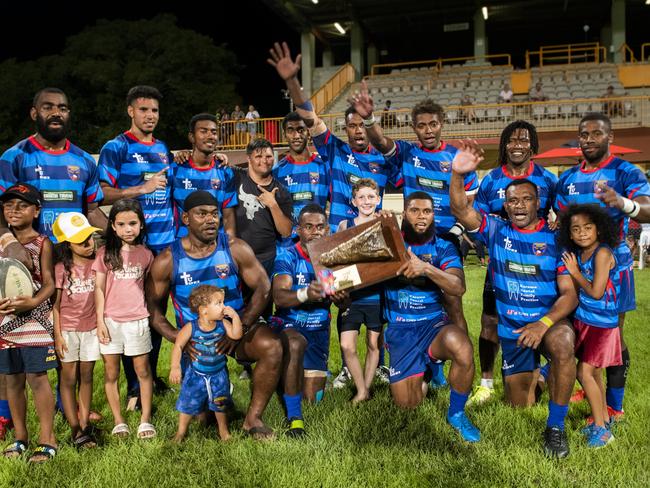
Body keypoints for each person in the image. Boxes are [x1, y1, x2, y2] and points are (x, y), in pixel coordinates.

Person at [348, 81, 478, 386]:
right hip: (412, 240)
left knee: (452, 301)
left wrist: (456, 232)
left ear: (442, 124)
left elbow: (469, 202)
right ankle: (415, 359)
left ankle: (452, 365)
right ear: (415, 129)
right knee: (408, 294)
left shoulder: (457, 159)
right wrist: (369, 120)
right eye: (421, 126)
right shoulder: (406, 153)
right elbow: (380, 142)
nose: (428, 130)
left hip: (445, 241)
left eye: (433, 124)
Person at [450, 152, 579, 458]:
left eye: (526, 199)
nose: (519, 205)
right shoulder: (495, 230)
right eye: (513, 200)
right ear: (505, 205)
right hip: (513, 331)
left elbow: (570, 296)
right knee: (520, 404)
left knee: (562, 342)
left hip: (547, 324)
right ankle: (546, 374)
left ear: (538, 203)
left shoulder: (556, 239)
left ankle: (556, 428)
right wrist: (457, 173)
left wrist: (543, 324)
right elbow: (458, 208)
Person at [146, 190, 281, 440]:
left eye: (214, 214)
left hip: (235, 328)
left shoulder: (234, 248)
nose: (211, 219)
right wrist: (180, 340)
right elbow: (153, 309)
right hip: (198, 341)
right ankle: (217, 389)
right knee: (203, 419)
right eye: (202, 214)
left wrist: (243, 323)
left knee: (271, 346)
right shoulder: (168, 259)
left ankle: (253, 419)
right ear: (185, 219)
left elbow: (264, 286)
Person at [555, 112, 650, 421]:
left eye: (597, 133)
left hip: (613, 266)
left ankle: (615, 405)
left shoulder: (625, 171)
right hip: (576, 266)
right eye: (584, 134)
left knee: (612, 335)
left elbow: (647, 209)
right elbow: (559, 220)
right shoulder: (567, 178)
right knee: (583, 329)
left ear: (610, 138)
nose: (590, 139)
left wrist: (624, 204)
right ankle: (589, 381)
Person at [469, 120, 558, 405]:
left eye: (524, 140)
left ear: (533, 145)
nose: (517, 145)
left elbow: (561, 215)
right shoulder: (492, 179)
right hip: (502, 267)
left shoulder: (547, 179)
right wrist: (486, 243)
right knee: (489, 322)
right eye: (511, 140)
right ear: (504, 144)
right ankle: (485, 384)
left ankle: (542, 368)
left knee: (548, 321)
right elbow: (476, 216)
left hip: (537, 269)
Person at [267, 42, 400, 233]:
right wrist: (292, 81)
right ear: (345, 129)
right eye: (353, 126)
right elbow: (310, 118)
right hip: (338, 236)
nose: (358, 131)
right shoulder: (335, 150)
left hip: (372, 235)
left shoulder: (384, 160)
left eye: (363, 125)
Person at [382, 192, 480, 443]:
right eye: (415, 210)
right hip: (401, 327)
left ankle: (456, 413)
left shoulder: (443, 245)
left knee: (462, 347)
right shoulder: (388, 241)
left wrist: (425, 267)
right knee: (408, 404)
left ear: (434, 215)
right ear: (404, 213)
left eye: (427, 211)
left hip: (433, 324)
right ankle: (429, 369)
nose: (421, 216)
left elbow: (458, 287)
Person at [98, 85, 173, 404]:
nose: (150, 115)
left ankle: (149, 376)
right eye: (144, 110)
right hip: (133, 248)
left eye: (154, 110)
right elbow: (101, 192)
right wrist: (141, 188)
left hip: (164, 247)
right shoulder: (116, 147)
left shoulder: (163, 148)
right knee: (132, 315)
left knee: (155, 314)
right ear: (130, 111)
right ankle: (132, 387)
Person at [272, 204, 346, 436]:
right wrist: (305, 294)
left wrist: (343, 298)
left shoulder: (334, 258)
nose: (315, 232)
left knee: (312, 399)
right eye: (309, 227)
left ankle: (283, 377)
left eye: (320, 227)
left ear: (328, 230)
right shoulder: (287, 255)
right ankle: (295, 420)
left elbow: (345, 304)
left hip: (318, 332)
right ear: (298, 230)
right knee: (295, 345)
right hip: (290, 326)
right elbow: (279, 297)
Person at [0, 87, 107, 240]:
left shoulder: (85, 160)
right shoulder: (13, 157)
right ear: (34, 113)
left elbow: (91, 211)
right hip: (32, 255)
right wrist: (8, 242)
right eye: (48, 107)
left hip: (72, 256)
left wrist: (121, 236)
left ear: (68, 114)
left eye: (62, 108)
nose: (56, 113)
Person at [0, 183, 57, 463]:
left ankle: (47, 438)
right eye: (9, 205)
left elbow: (50, 284)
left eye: (22, 205)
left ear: (36, 210)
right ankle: (20, 436)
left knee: (37, 377)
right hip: (5, 322)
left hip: (34, 321)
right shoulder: (2, 244)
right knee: (12, 379)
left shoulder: (43, 243)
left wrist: (33, 302)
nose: (14, 210)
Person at [93, 199, 155, 439]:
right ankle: (119, 420)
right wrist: (100, 321)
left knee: (143, 370)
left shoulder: (146, 255)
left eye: (133, 223)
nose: (128, 229)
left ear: (141, 224)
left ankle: (145, 419)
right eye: (122, 224)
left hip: (137, 320)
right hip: (110, 321)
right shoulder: (104, 254)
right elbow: (99, 289)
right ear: (113, 226)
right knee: (111, 373)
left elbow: (148, 289)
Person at [558, 205, 620, 448]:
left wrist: (574, 272)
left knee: (584, 372)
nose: (582, 233)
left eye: (588, 227)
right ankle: (603, 417)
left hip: (602, 324)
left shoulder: (602, 253)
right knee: (594, 373)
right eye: (576, 229)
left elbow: (596, 292)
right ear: (569, 234)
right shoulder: (580, 252)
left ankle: (602, 430)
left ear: (599, 229)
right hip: (586, 320)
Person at [52, 212, 102, 449]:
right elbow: (55, 305)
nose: (88, 243)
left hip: (91, 329)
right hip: (68, 331)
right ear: (66, 244)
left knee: (88, 376)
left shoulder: (98, 264)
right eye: (80, 240)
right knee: (68, 378)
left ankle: (84, 424)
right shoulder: (61, 269)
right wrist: (58, 335)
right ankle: (74, 428)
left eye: (89, 238)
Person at [169, 285, 242, 442]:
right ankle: (181, 432)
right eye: (219, 303)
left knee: (220, 402)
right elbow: (178, 345)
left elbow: (236, 335)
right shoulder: (191, 327)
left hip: (218, 374)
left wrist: (235, 317)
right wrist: (175, 367)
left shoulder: (223, 323)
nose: (224, 307)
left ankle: (224, 432)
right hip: (196, 375)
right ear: (203, 310)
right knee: (188, 403)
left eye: (223, 302)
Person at [335, 179, 385, 403]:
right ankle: (361, 388)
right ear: (354, 201)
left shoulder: (385, 223)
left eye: (371, 196)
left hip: (376, 295)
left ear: (378, 199)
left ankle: (365, 389)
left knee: (373, 345)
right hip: (352, 296)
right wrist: (339, 288)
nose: (366, 201)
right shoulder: (345, 225)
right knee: (347, 345)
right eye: (362, 197)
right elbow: (336, 262)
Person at [233, 139, 293, 297]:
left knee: (263, 311)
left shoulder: (281, 191)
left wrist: (273, 205)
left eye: (268, 156)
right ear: (249, 159)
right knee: (235, 308)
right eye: (258, 156)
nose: (264, 161)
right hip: (236, 257)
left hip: (266, 259)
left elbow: (286, 231)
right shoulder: (236, 177)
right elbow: (212, 164)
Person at [170, 114, 237, 238]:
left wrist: (229, 245)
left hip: (215, 244)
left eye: (213, 132)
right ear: (191, 137)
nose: (210, 136)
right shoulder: (175, 169)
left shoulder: (225, 171)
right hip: (184, 244)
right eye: (203, 131)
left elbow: (228, 215)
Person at [272, 112, 330, 247]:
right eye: (290, 130)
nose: (296, 136)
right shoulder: (277, 171)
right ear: (284, 134)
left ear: (308, 133)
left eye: (300, 130)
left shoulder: (323, 167)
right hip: (288, 246)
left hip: (318, 243)